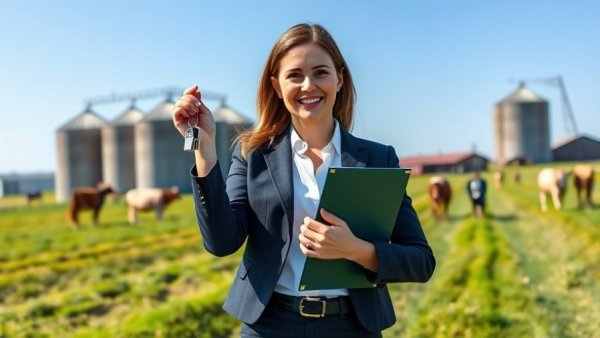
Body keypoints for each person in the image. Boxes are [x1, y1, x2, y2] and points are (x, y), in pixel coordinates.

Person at [171, 23, 435, 337]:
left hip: (353, 327)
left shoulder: (378, 159)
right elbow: (221, 242)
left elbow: (421, 261)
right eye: (295, 75)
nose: (308, 85)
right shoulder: (252, 155)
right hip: (269, 326)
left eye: (320, 72)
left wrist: (355, 249)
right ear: (277, 86)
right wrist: (203, 149)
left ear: (339, 79)